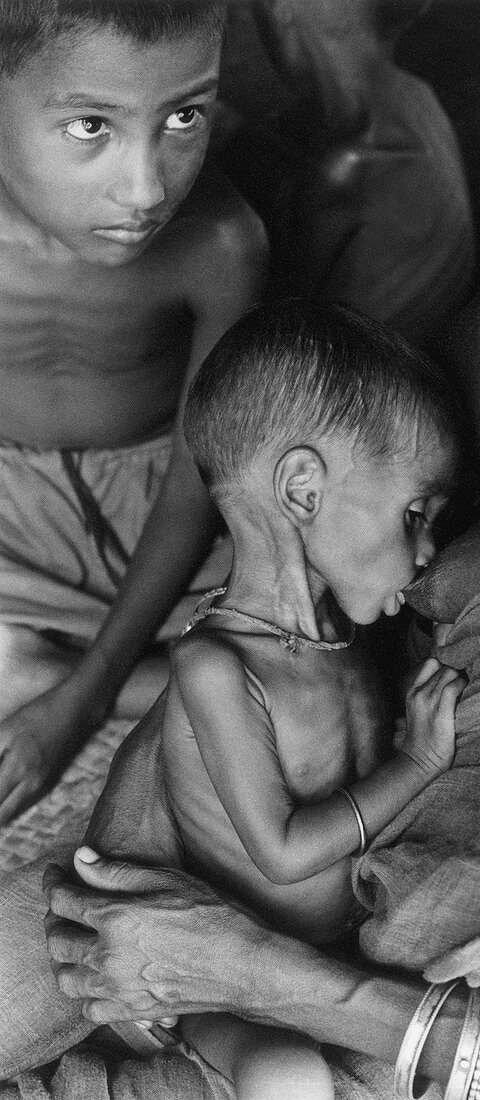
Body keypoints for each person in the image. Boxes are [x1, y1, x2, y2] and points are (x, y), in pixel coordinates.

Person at [4, 1, 480, 1097]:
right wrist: (147, 813)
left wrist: (260, 972)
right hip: (222, 861)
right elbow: (333, 485)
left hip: (448, 1024)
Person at [140, 299, 465, 1099]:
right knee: (288, 1076)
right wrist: (420, 760)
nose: (428, 553)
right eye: (415, 515)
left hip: (334, 959)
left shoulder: (350, 643)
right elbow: (280, 852)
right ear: (302, 489)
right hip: (224, 972)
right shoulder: (214, 666)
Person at [0, 0, 268, 824]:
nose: (148, 188)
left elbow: (200, 476)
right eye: (90, 127)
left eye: (185, 115)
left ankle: (57, 669)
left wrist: (84, 698)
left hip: (162, 508)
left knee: (312, 677)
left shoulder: (222, 244)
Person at [220, 0, 475, 345]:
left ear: (282, 13)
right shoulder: (416, 97)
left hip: (339, 380)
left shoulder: (350, 173)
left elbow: (269, 316)